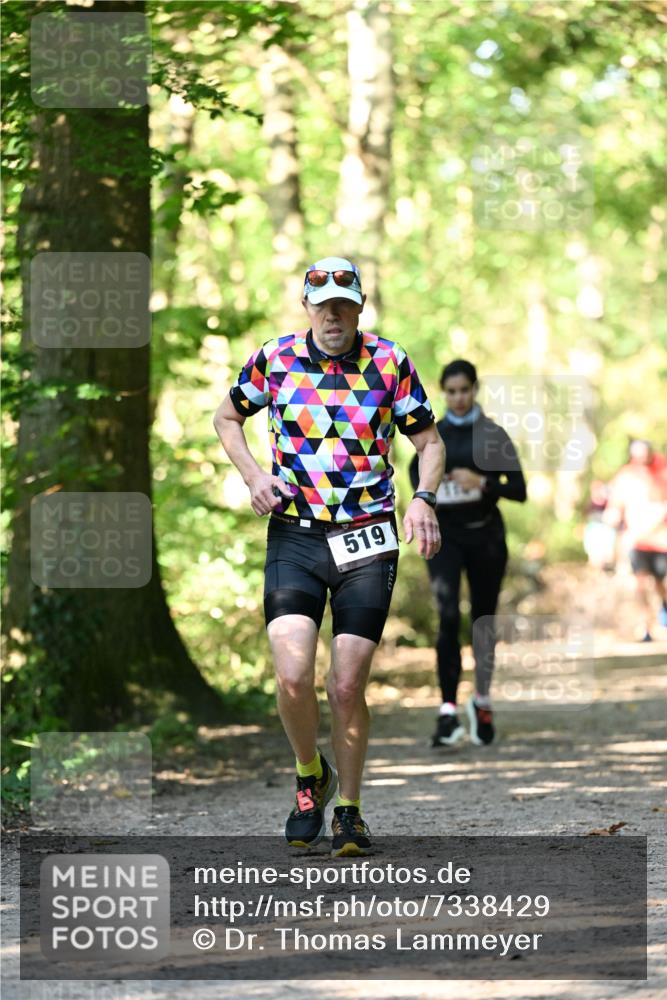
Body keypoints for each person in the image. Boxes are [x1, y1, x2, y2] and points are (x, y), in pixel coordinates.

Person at [214, 256, 444, 856]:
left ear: (360, 306)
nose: (334, 313)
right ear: (308, 307)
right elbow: (227, 416)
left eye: (345, 302)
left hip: (368, 537)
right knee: (291, 675)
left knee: (345, 686)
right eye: (324, 304)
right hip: (295, 533)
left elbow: (430, 441)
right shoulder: (276, 358)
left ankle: (350, 810)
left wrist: (422, 498)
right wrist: (252, 475)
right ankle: (309, 772)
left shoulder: (389, 361)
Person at [409, 359, 526, 748]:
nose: (459, 398)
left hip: (486, 538)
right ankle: (446, 711)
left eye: (465, 390)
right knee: (446, 618)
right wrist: (431, 486)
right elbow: (414, 475)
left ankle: (482, 700)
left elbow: (519, 489)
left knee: (483, 621)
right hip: (445, 540)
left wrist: (484, 482)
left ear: (475, 389)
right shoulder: (433, 434)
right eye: (452, 391)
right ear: (444, 392)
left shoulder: (492, 435)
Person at [603, 439, 667, 641]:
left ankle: (664, 614)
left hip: (661, 540)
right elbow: (615, 505)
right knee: (639, 583)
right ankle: (646, 627)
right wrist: (611, 518)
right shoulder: (626, 475)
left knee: (659, 583)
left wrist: (652, 523)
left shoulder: (663, 470)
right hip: (637, 542)